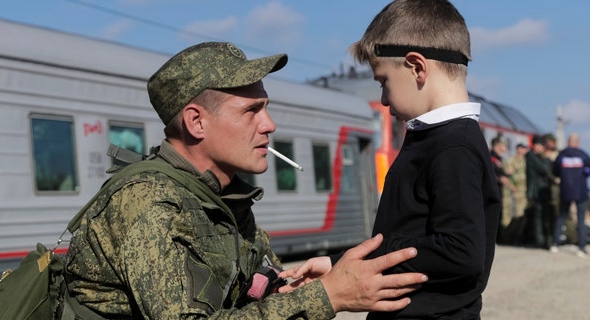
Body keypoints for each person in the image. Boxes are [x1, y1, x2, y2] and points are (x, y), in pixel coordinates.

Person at [63, 41, 428, 319]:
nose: (269, 125)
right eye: (251, 111)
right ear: (196, 122)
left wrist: (290, 288)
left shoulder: (221, 197)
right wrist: (326, 297)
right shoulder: (147, 202)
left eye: (266, 108)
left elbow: (252, 288)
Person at [281, 1, 500, 319]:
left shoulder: (454, 148)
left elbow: (461, 252)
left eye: (383, 81)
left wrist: (372, 259)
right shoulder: (435, 139)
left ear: (417, 68)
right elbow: (410, 232)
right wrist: (338, 262)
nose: (383, 98)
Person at [550, 133, 590, 257]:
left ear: (568, 142)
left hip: (565, 191)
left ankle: (555, 244)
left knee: (561, 217)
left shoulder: (561, 156)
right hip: (581, 191)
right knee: (581, 219)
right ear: (577, 142)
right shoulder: (583, 156)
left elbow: (555, 171)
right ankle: (581, 247)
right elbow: (588, 170)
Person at [525, 135, 555, 249]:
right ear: (536, 145)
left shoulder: (536, 156)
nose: (543, 148)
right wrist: (547, 159)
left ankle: (541, 239)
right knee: (539, 216)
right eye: (542, 145)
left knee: (542, 216)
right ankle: (539, 240)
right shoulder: (531, 156)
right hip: (537, 191)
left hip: (540, 190)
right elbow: (544, 169)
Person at [490, 135, 516, 243]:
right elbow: (490, 174)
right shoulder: (491, 158)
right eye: (503, 146)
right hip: (492, 191)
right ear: (497, 146)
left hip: (498, 190)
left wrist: (506, 175)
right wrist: (500, 179)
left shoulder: (499, 159)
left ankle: (498, 237)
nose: (504, 149)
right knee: (493, 215)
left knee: (499, 214)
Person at [503, 143, 529, 244]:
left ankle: (518, 237)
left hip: (524, 192)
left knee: (522, 216)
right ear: (517, 149)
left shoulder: (527, 161)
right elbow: (507, 175)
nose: (523, 150)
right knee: (513, 216)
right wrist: (511, 187)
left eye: (524, 148)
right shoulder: (511, 161)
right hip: (515, 192)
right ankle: (509, 237)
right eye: (521, 148)